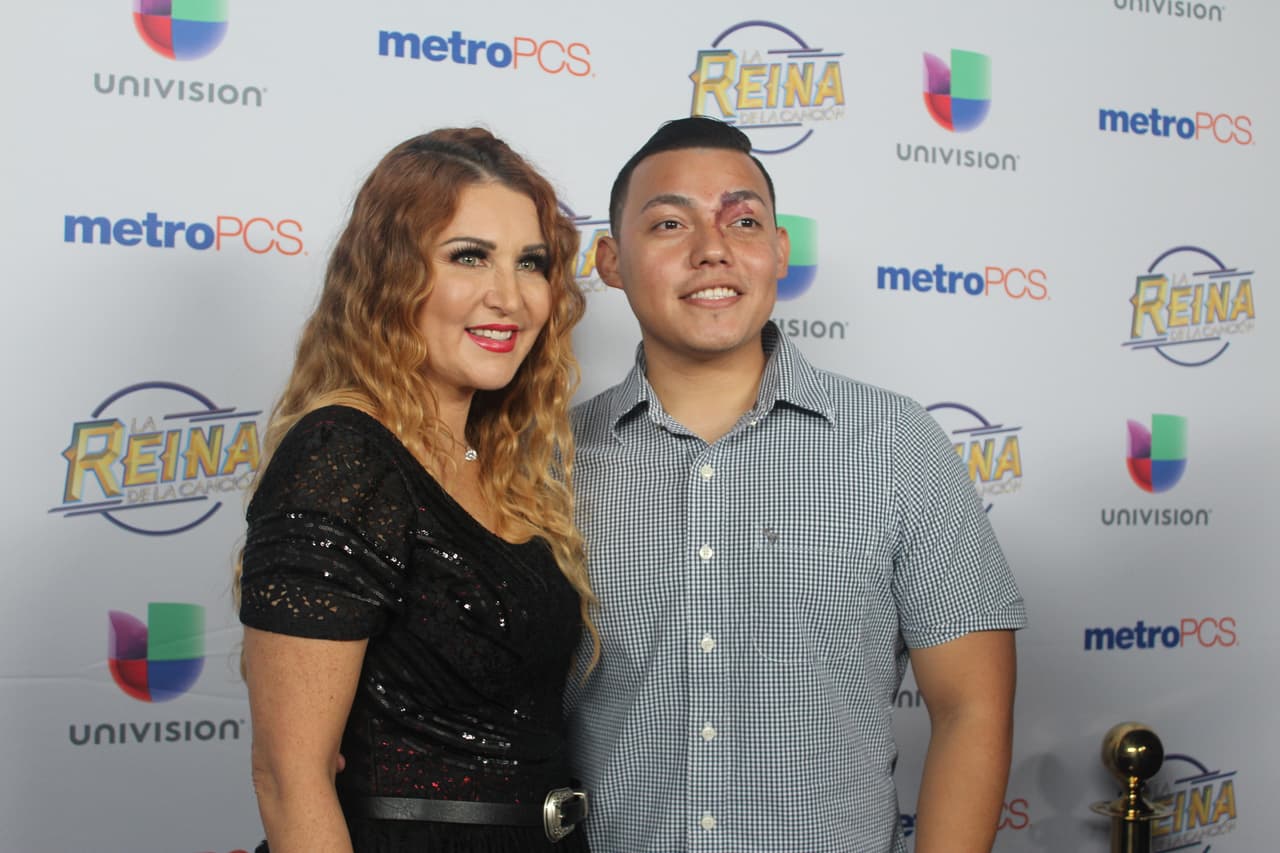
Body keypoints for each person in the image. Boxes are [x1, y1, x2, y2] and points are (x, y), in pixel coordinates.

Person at [565, 117, 1027, 853]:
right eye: (669, 223)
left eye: (743, 220)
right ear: (611, 261)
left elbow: (972, 706)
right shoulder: (551, 465)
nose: (712, 248)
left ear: (780, 251)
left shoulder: (895, 443)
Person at [237, 128, 596, 853]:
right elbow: (289, 778)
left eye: (530, 263)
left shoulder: (500, 464)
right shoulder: (344, 453)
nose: (509, 297)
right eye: (469, 256)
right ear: (391, 275)